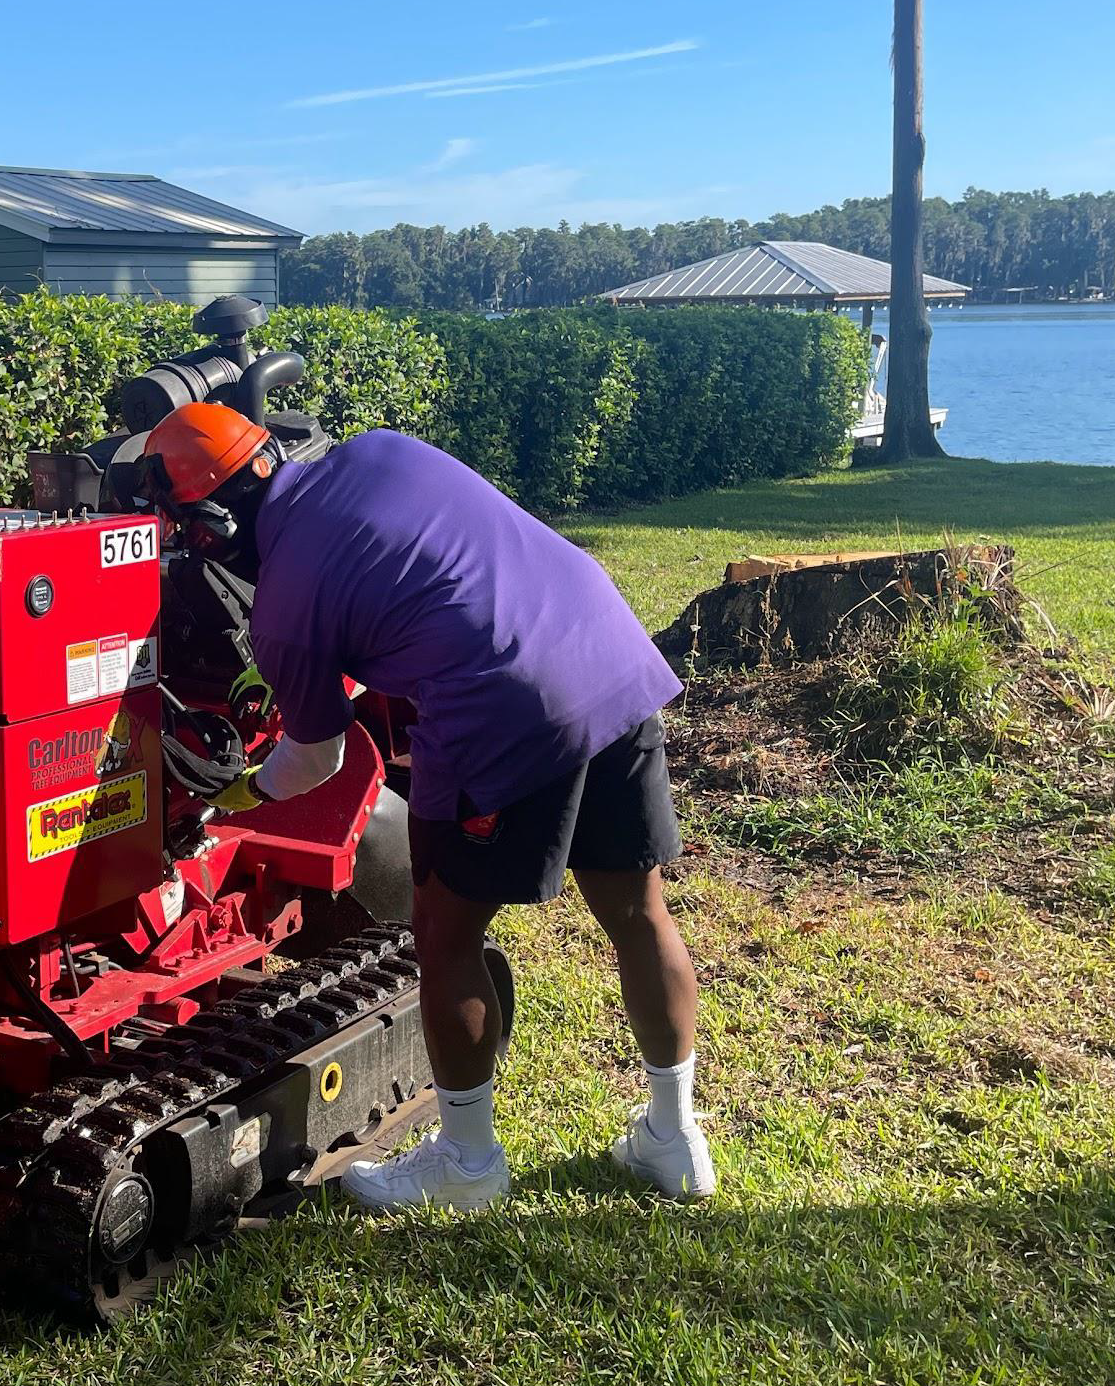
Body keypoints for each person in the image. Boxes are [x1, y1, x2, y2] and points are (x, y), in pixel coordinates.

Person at [142, 401, 714, 1211]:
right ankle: (673, 1141)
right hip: (611, 656)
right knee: (636, 911)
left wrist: (233, 797)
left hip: (502, 709)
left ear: (206, 527)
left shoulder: (283, 615)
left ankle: (468, 1166)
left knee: (444, 937)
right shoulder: (382, 448)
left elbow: (315, 758)